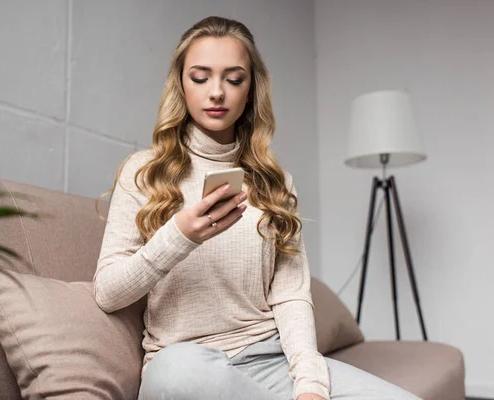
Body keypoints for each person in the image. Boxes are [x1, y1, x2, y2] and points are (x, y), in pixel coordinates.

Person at [94, 16, 420, 400]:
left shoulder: (274, 180)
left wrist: (310, 386)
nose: (217, 92)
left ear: (251, 90)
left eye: (234, 79)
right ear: (181, 85)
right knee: (175, 375)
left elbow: (291, 294)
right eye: (200, 78)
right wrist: (179, 235)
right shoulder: (144, 172)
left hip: (271, 360)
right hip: (189, 366)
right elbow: (108, 292)